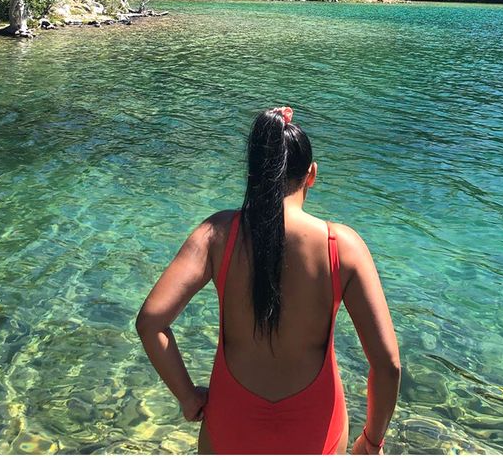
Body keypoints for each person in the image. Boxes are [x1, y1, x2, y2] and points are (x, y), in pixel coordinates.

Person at [136, 107, 400, 454]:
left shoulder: (217, 234)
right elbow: (387, 365)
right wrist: (372, 439)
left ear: (253, 173)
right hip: (316, 428)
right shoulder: (342, 247)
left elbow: (150, 322)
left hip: (230, 424)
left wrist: (187, 396)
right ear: (312, 175)